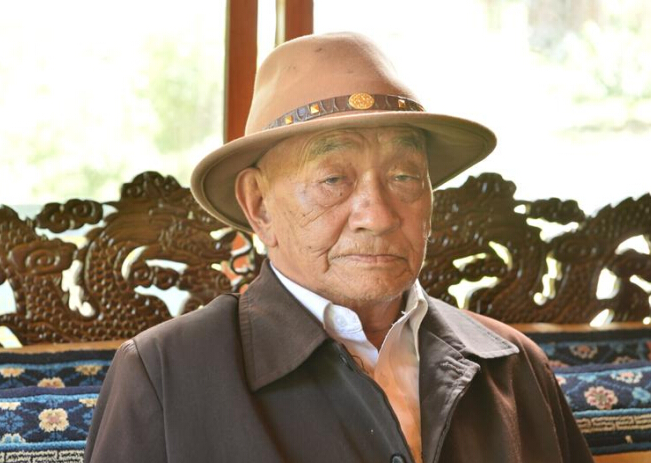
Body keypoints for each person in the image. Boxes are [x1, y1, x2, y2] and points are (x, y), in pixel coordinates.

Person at [84, 32, 594, 463]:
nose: (378, 215)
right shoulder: (165, 375)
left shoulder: (511, 365)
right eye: (333, 179)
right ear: (259, 206)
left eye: (404, 176)